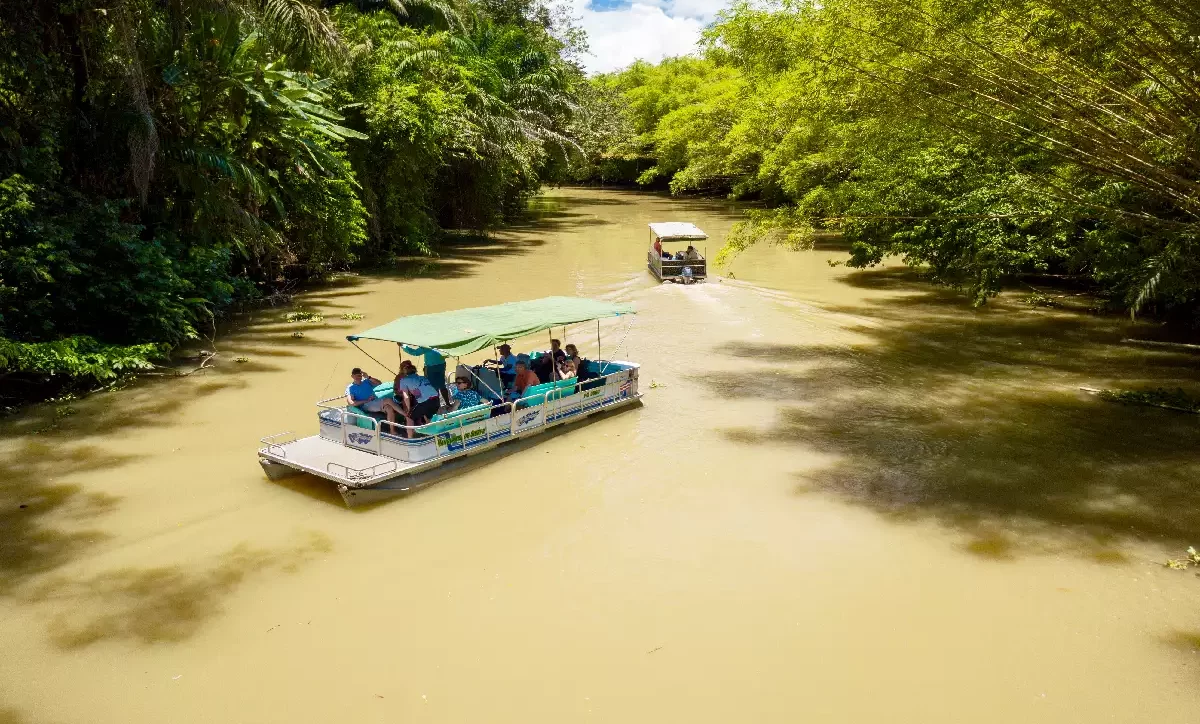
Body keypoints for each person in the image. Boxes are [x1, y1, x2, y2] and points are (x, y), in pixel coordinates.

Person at [394, 360, 441, 437]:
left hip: (425, 402)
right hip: (436, 399)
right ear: (415, 371)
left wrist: (409, 409)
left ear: (405, 373)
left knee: (409, 417)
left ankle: (410, 439)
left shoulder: (404, 380)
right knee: (429, 416)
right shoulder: (422, 377)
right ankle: (433, 436)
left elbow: (406, 396)